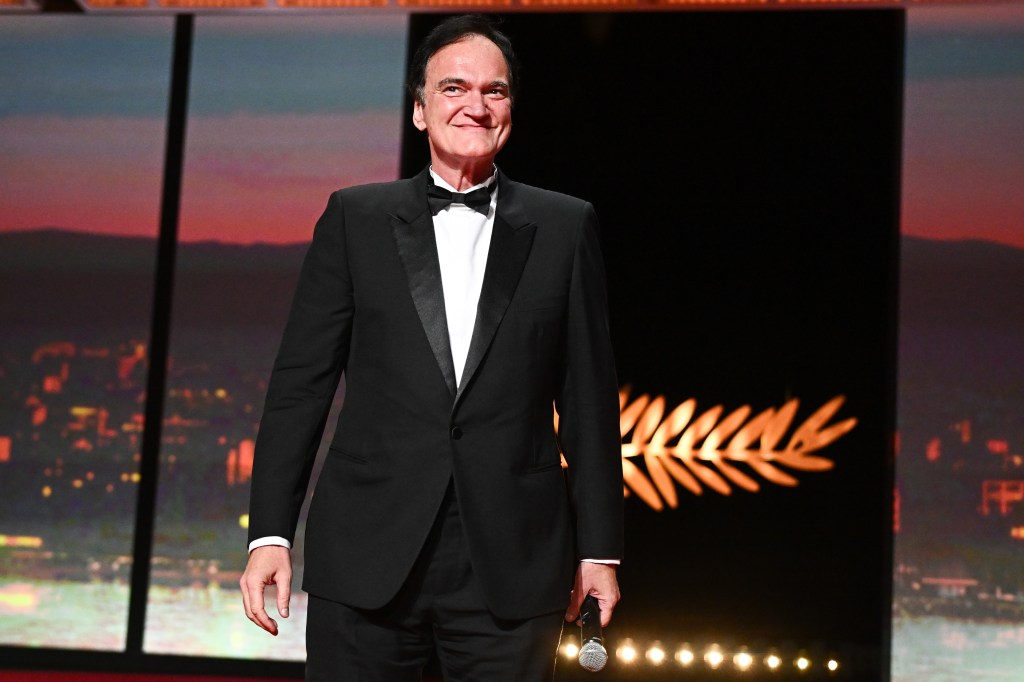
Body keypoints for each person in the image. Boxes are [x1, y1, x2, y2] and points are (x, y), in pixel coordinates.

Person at [240, 14, 623, 681]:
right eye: (453, 87)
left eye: (494, 91)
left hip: (512, 559)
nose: (475, 105)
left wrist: (600, 550)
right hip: (366, 551)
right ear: (419, 111)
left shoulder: (565, 226)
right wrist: (270, 532)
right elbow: (302, 382)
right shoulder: (355, 218)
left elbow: (588, 401)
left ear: (511, 109)